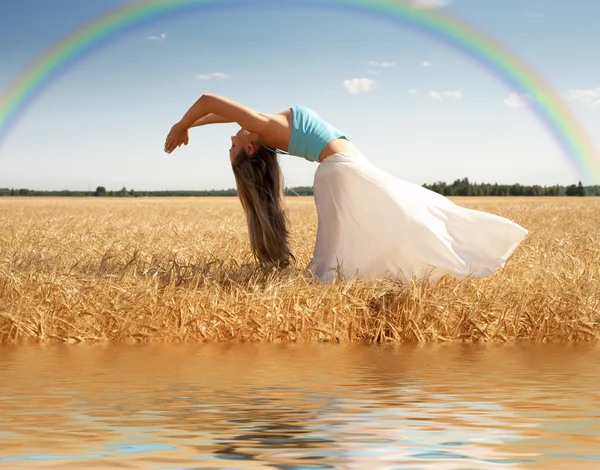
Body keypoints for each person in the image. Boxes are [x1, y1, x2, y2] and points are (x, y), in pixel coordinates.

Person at [164, 93, 528, 283]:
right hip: (342, 172)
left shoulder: (263, 126)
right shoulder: (262, 125)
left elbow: (218, 111)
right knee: (407, 219)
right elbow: (210, 100)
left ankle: (450, 259)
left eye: (230, 140)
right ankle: (457, 259)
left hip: (344, 170)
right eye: (233, 144)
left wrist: (190, 126)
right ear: (250, 148)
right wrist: (183, 124)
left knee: (409, 215)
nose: (232, 134)